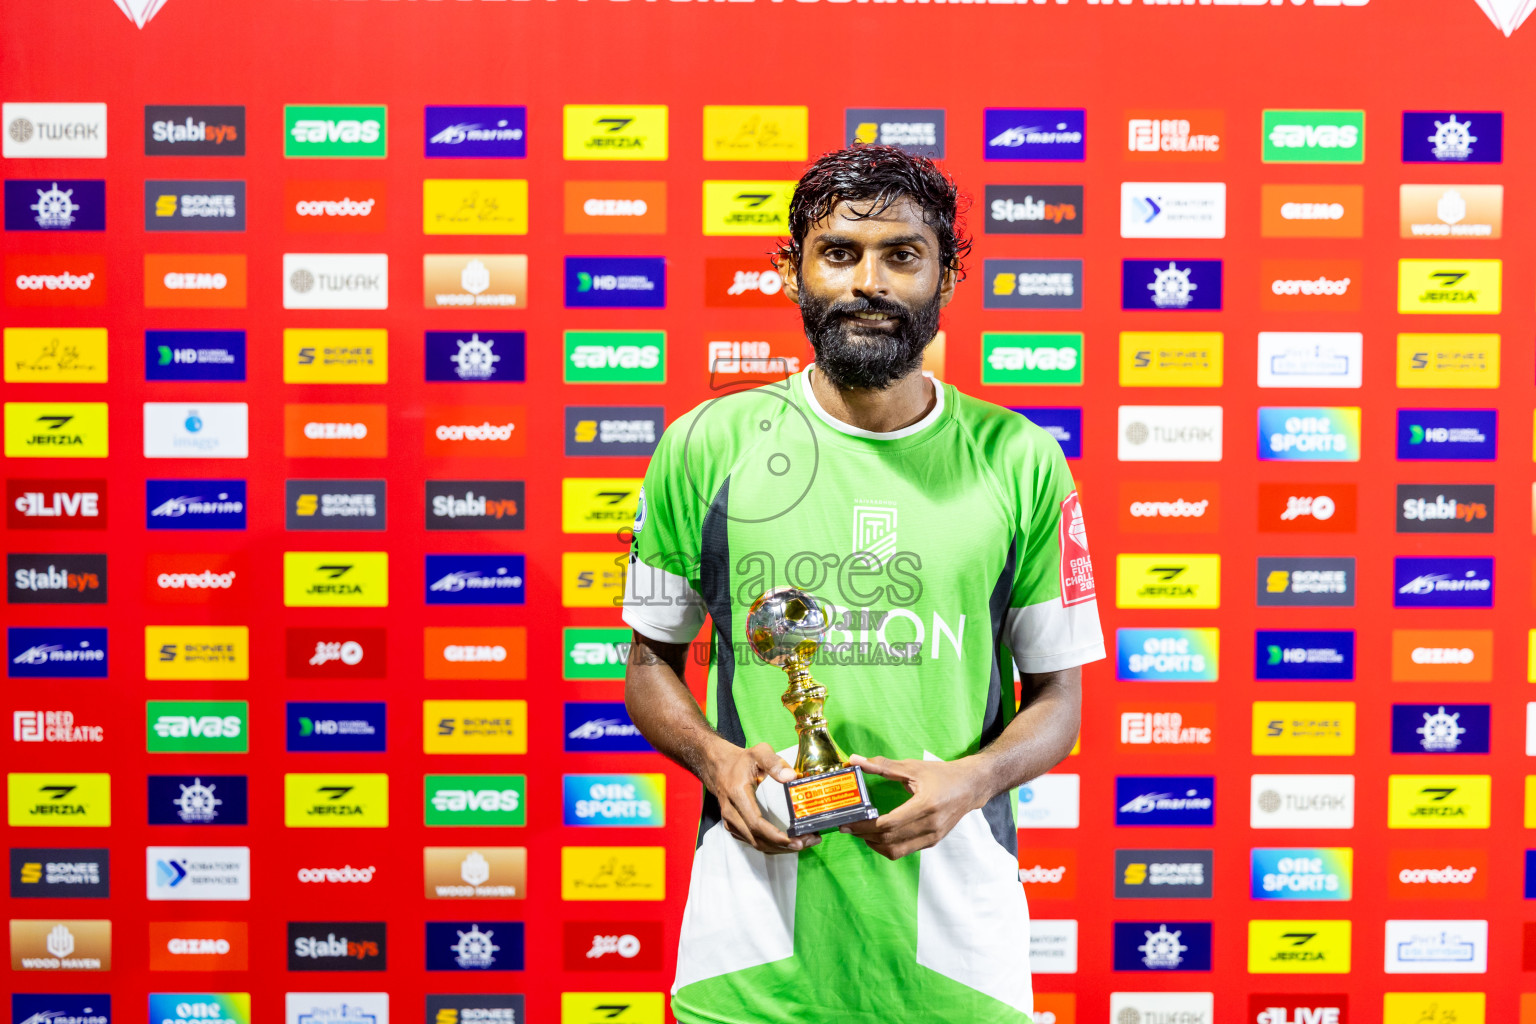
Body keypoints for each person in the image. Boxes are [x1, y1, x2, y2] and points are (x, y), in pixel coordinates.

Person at [621, 144, 1104, 1024]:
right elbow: (650, 660)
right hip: (751, 944)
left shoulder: (1020, 460)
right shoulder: (707, 444)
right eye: (839, 253)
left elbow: (1060, 698)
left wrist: (979, 778)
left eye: (902, 255)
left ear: (949, 275)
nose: (868, 281)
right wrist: (716, 759)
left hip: (956, 947)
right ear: (792, 270)